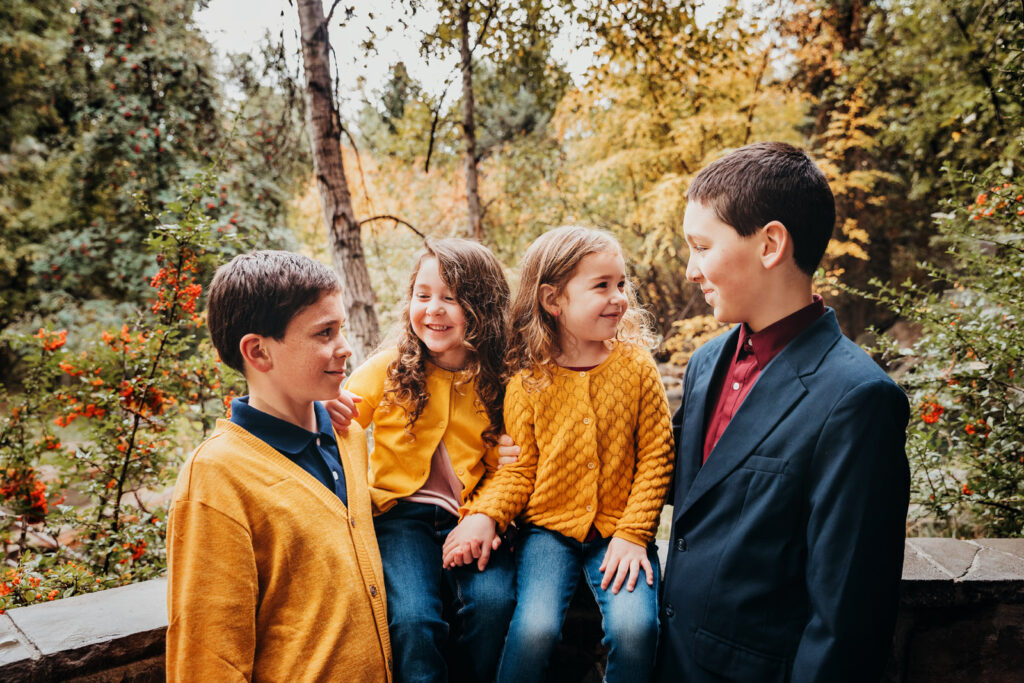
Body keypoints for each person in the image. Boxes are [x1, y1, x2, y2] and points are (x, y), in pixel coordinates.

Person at [655, 142, 910, 682]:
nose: (690, 270)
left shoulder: (858, 400)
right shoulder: (705, 364)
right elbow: (677, 491)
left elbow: (847, 620)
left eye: (701, 247)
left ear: (771, 244)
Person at [445, 226, 674, 683]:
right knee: (534, 628)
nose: (619, 297)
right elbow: (520, 469)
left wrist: (633, 534)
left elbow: (657, 454)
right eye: (602, 286)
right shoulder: (528, 380)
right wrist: (485, 514)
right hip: (547, 532)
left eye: (621, 284)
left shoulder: (635, 367)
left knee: (636, 628)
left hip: (619, 531)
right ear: (554, 300)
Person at [165, 251, 391, 681]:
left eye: (340, 328)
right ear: (258, 352)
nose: (345, 347)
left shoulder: (348, 436)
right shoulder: (216, 477)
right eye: (324, 333)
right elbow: (208, 660)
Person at [344, 238, 516, 683]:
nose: (433, 309)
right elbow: (339, 419)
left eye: (451, 297)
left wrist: (487, 519)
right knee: (414, 620)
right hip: (399, 518)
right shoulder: (389, 367)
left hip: (473, 517)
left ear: (484, 307)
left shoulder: (503, 379)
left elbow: (511, 467)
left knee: (495, 604)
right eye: (423, 295)